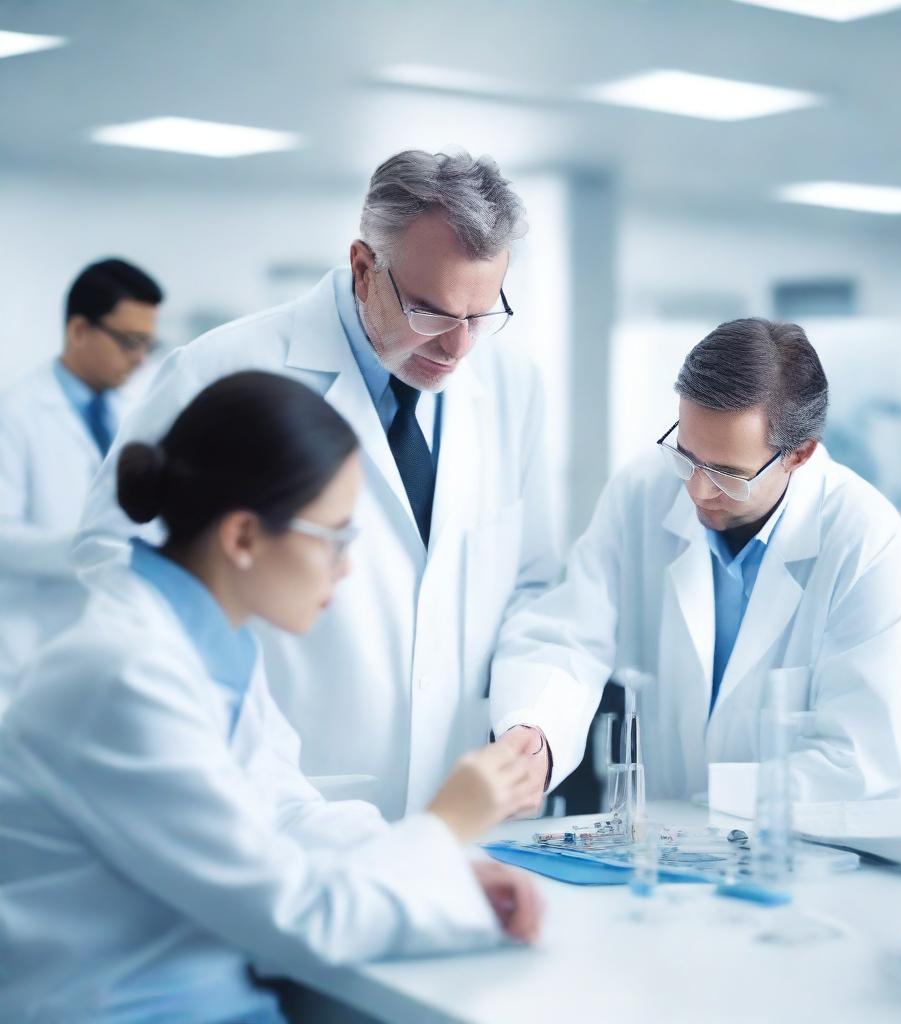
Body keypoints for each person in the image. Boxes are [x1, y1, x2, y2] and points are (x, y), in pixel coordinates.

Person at [0, 371, 542, 1023]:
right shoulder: (125, 674)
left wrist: (447, 870)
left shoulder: (205, 643)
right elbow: (302, 914)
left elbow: (282, 812)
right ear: (243, 537)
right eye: (335, 537)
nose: (346, 567)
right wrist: (444, 827)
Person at [75, 151, 558, 818]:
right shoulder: (223, 369)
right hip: (277, 797)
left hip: (463, 813)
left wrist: (533, 718)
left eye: (481, 315)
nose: (458, 349)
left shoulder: (512, 384)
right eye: (431, 312)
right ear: (364, 268)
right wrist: (238, 745)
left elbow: (533, 584)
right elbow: (116, 572)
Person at [490, 318, 901, 805]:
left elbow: (861, 764)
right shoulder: (643, 493)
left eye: (728, 475)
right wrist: (534, 731)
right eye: (687, 456)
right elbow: (567, 631)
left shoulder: (865, 537)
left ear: (799, 453)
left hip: (811, 857)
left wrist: (706, 805)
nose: (697, 491)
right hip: (667, 852)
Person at [0, 258, 162, 711]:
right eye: (129, 342)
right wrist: (97, 547)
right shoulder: (14, 415)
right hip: (30, 651)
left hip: (112, 644)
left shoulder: (135, 409)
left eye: (149, 343)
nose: (140, 358)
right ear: (78, 331)